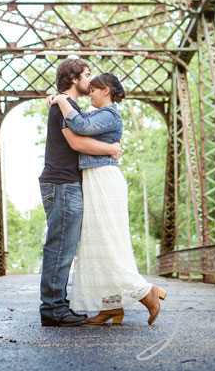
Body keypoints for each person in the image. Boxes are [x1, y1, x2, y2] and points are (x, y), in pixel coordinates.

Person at [51, 72, 166, 325]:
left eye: (93, 89)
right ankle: (111, 306)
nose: (89, 92)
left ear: (106, 90)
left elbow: (79, 127)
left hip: (104, 179)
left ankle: (147, 293)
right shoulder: (96, 114)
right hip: (94, 179)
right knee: (96, 244)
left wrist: (61, 100)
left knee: (110, 241)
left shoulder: (110, 114)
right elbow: (77, 132)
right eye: (88, 88)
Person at [38, 59, 123, 327]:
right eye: (87, 75)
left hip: (65, 182)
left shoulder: (69, 106)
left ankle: (56, 305)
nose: (91, 80)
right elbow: (77, 142)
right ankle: (52, 308)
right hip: (62, 184)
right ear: (74, 78)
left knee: (63, 246)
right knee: (60, 246)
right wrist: (111, 149)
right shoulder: (63, 105)